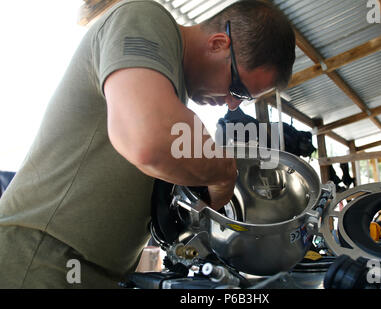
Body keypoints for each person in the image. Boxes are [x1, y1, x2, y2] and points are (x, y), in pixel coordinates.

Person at [0, 0, 295, 288]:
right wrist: (224, 171)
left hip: (80, 267)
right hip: (41, 254)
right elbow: (148, 139)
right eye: (237, 90)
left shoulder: (170, 89)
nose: (232, 106)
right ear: (218, 44)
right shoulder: (144, 17)